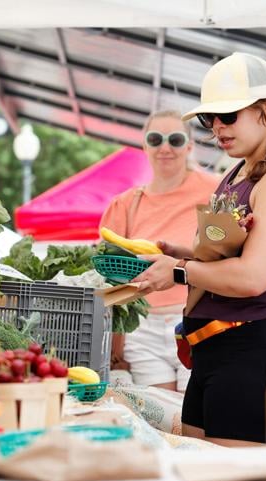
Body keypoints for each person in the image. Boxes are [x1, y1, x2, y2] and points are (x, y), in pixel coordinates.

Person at [132, 52, 266, 446]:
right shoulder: (239, 172)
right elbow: (230, 253)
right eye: (209, 119)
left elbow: (254, 277)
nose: (217, 127)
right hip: (215, 353)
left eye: (228, 115)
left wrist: (179, 269)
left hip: (257, 354)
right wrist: (178, 251)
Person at [100, 110, 218, 392]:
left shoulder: (215, 191)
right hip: (143, 329)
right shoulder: (125, 204)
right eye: (156, 139)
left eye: (175, 140)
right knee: (160, 420)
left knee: (195, 421)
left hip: (199, 320)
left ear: (189, 146)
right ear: (145, 145)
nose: (165, 147)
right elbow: (108, 277)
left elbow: (228, 254)